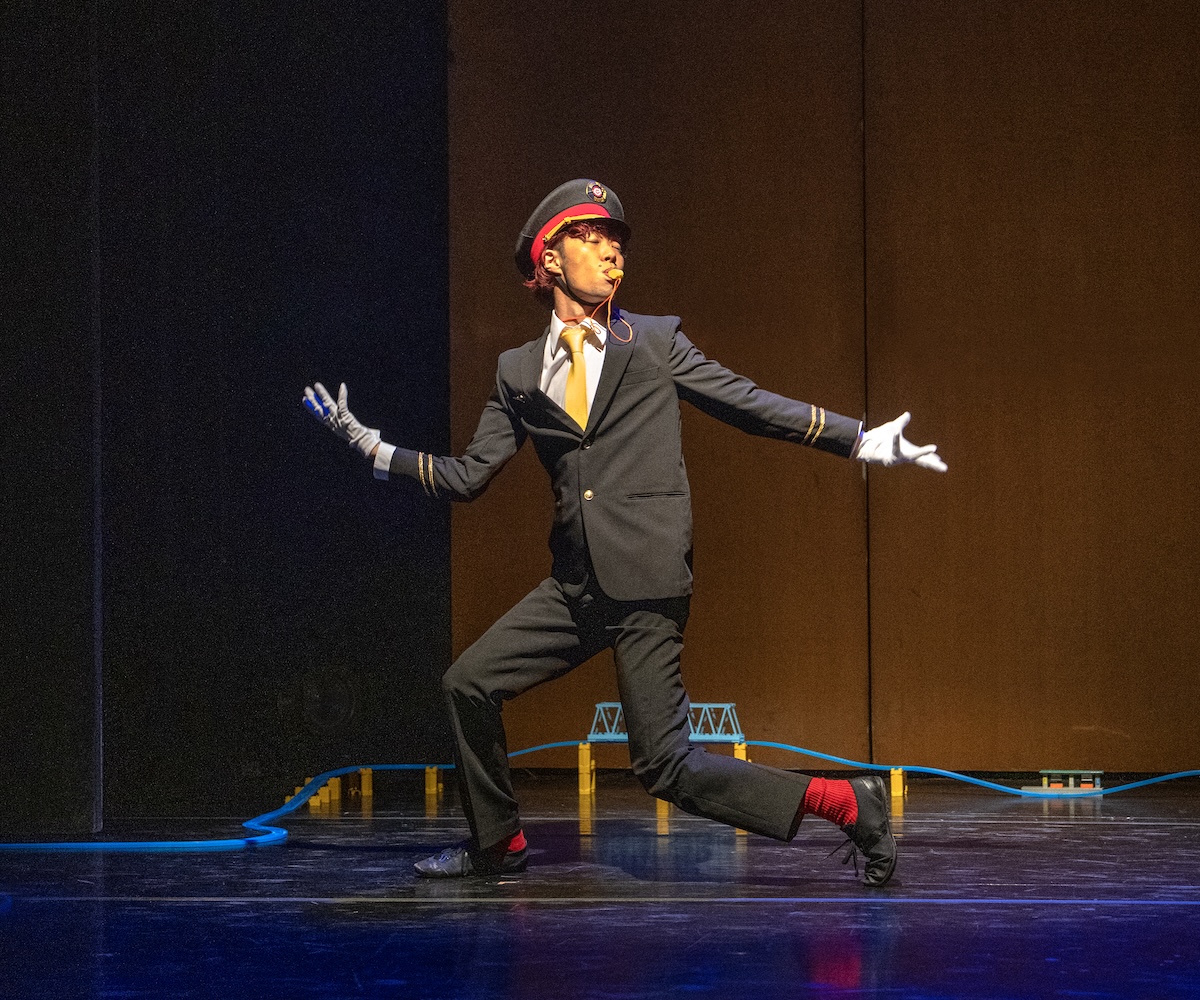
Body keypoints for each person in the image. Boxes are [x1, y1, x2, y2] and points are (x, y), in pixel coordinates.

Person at [302, 178, 945, 888]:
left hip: (645, 582)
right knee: (467, 684)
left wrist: (862, 440)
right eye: (592, 237)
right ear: (549, 259)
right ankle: (498, 844)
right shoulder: (517, 371)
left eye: (617, 241)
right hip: (576, 586)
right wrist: (373, 448)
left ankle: (848, 802)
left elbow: (749, 404)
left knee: (665, 766)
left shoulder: (654, 342)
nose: (612, 252)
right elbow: (468, 476)